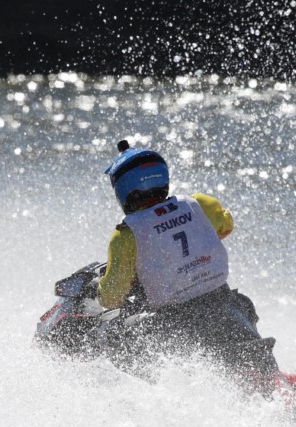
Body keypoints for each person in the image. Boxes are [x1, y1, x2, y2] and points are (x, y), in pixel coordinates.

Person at [96, 139, 280, 392]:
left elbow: (112, 296)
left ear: (123, 190)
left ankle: (149, 391)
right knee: (244, 303)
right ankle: (261, 373)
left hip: (174, 320)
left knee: (115, 333)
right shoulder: (198, 204)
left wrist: (101, 289)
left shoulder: (126, 235)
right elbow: (226, 225)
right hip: (223, 304)